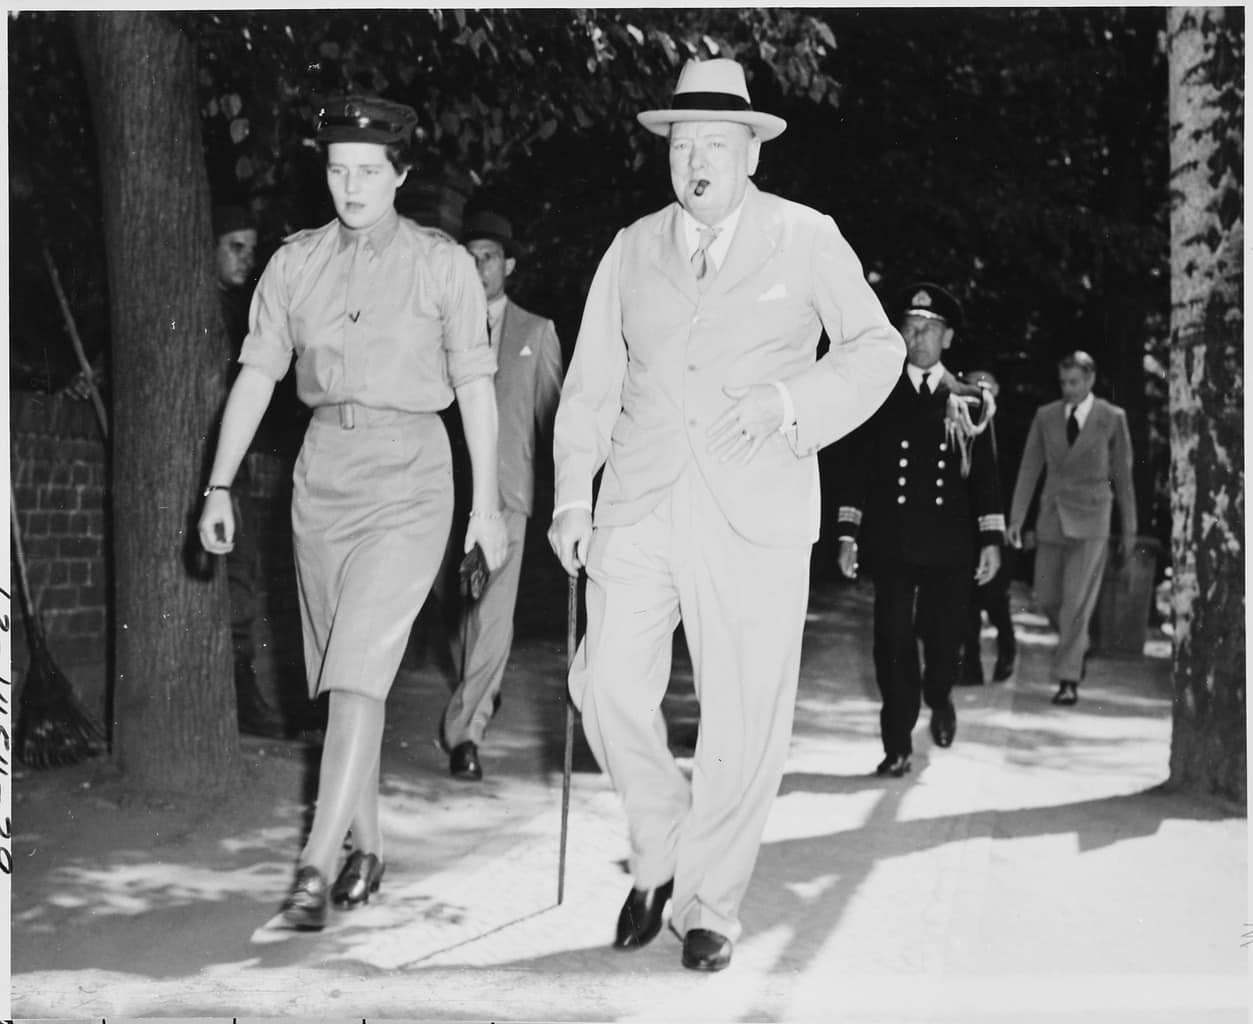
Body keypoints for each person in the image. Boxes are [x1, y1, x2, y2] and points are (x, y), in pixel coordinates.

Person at [547, 58, 904, 973]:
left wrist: (789, 404)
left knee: (742, 722)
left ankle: (707, 902)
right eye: (680, 144)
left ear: (751, 153)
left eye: (714, 144)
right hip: (637, 502)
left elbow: (875, 350)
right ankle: (659, 838)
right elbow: (589, 386)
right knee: (603, 687)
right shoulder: (630, 248)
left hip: (754, 505)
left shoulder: (805, 236)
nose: (694, 161)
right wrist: (569, 498)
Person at [197, 94, 507, 931]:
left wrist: (487, 506)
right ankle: (367, 844)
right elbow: (258, 374)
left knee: (359, 669)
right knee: (342, 684)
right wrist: (218, 484)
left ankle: (312, 867)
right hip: (322, 479)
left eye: (369, 171)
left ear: (400, 175)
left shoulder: (440, 264)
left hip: (412, 477)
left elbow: (475, 384)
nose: (352, 186)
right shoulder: (295, 263)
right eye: (338, 170)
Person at [835, 283, 1003, 777]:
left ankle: (940, 695)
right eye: (912, 328)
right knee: (891, 640)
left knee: (945, 637)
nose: (921, 337)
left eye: (931, 330)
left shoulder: (970, 399)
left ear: (948, 338)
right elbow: (859, 469)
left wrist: (990, 540)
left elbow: (986, 479)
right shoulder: (880, 394)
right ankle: (898, 742)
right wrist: (848, 533)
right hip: (892, 541)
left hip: (949, 546)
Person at [438, 210, 563, 782]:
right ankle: (479, 686)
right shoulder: (438, 325)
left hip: (508, 497)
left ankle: (465, 731)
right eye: (468, 256)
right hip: (445, 492)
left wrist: (568, 497)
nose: (476, 265)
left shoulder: (536, 334)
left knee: (490, 613)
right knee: (460, 610)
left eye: (486, 256)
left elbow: (555, 421)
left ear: (507, 265)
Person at [1006, 350, 1136, 706]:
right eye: (1063, 382)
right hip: (1052, 519)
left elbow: (1123, 478)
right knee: (1047, 599)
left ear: (1091, 380)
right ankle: (1078, 644)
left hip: (1093, 521)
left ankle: (1068, 678)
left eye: (1074, 382)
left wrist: (1129, 532)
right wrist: (1016, 519)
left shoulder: (1112, 418)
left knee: (1075, 605)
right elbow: (1029, 468)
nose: (1068, 389)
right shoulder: (1045, 416)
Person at [210, 203, 289, 740]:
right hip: (208, 466)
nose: (247, 258)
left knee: (242, 580)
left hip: (235, 468)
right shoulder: (199, 308)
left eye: (251, 249)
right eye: (235, 246)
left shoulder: (246, 311)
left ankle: (243, 699)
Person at [957, 369, 1018, 685]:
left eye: (988, 385)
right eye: (975, 385)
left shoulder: (1009, 429)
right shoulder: (963, 423)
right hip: (967, 528)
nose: (982, 390)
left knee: (996, 600)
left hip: (1002, 527)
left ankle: (1008, 651)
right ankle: (970, 666)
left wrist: (1017, 525)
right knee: (967, 600)